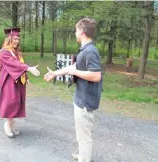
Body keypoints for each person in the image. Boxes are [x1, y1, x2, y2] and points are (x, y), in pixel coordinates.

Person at [44, 18, 102, 162]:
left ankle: (84, 158)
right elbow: (73, 68)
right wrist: (55, 74)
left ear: (82, 32)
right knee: (80, 133)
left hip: (85, 102)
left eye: (76, 30)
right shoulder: (85, 50)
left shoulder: (90, 51)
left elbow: (96, 76)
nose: (75, 33)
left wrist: (74, 72)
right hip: (81, 98)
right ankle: (83, 155)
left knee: (84, 136)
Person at [0, 27, 40, 138]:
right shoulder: (3, 52)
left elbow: (20, 65)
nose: (17, 41)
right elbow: (14, 64)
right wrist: (29, 68)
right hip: (8, 81)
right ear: (9, 39)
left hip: (17, 81)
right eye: (15, 39)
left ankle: (11, 125)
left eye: (18, 39)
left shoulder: (16, 53)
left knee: (17, 103)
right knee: (11, 102)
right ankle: (7, 125)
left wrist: (26, 78)